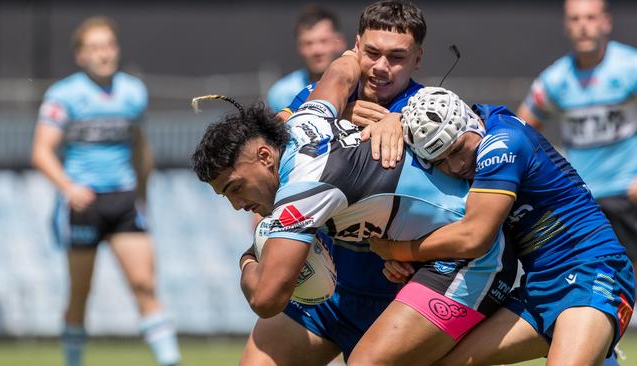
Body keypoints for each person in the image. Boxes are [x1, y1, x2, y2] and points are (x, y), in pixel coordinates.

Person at [191, 42, 516, 366]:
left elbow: (266, 299)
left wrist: (248, 261)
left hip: (470, 258)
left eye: (235, 188)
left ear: (264, 157)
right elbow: (341, 72)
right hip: (400, 265)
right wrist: (350, 55)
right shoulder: (307, 117)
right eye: (225, 195)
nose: (236, 204)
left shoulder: (303, 188)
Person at [369, 86, 635, 365]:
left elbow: (474, 237)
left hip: (591, 271)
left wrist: (396, 250)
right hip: (540, 286)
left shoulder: (502, 143)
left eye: (458, 149)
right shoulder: (479, 119)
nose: (457, 165)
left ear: (469, 121)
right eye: (442, 161)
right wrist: (393, 118)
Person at [30, 17, 180, 366]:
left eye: (109, 45)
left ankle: (171, 360)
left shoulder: (133, 92)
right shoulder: (63, 95)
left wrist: (142, 194)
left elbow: (141, 149)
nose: (104, 54)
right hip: (84, 204)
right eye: (95, 47)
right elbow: (41, 151)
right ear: (81, 56)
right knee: (80, 295)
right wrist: (68, 188)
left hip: (124, 200)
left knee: (144, 285)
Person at [517, 0, 637, 273]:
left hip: (628, 196)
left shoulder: (630, 66)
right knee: (597, 280)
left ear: (606, 22)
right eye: (575, 19)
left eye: (591, 18)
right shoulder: (555, 79)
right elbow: (521, 131)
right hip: (584, 199)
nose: (583, 26)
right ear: (566, 26)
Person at [266, 4, 346, 112]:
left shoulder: (362, 86)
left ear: (339, 42)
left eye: (323, 41)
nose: (316, 50)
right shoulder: (281, 93)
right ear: (299, 47)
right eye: (308, 43)